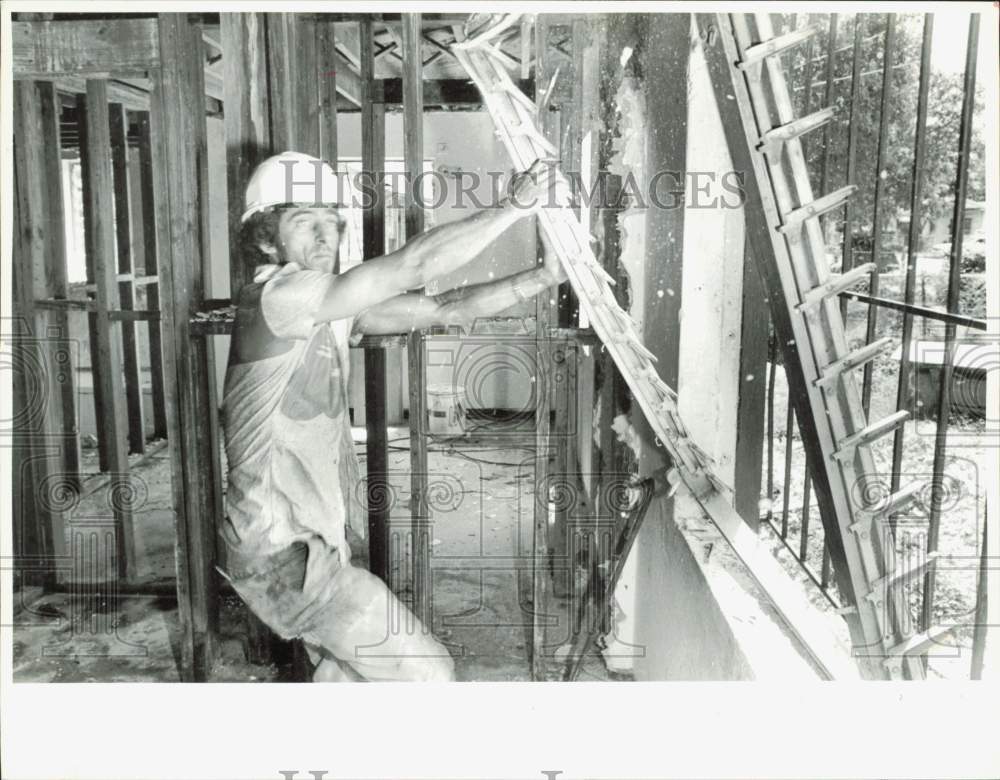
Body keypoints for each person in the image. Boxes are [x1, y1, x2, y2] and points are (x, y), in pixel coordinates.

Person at [219, 150, 567, 682]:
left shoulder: (324, 306)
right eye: (302, 223)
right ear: (266, 239)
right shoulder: (279, 296)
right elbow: (415, 265)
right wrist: (512, 207)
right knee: (430, 676)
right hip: (281, 556)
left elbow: (445, 307)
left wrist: (538, 280)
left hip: (307, 547)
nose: (324, 238)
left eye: (331, 223)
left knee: (349, 678)